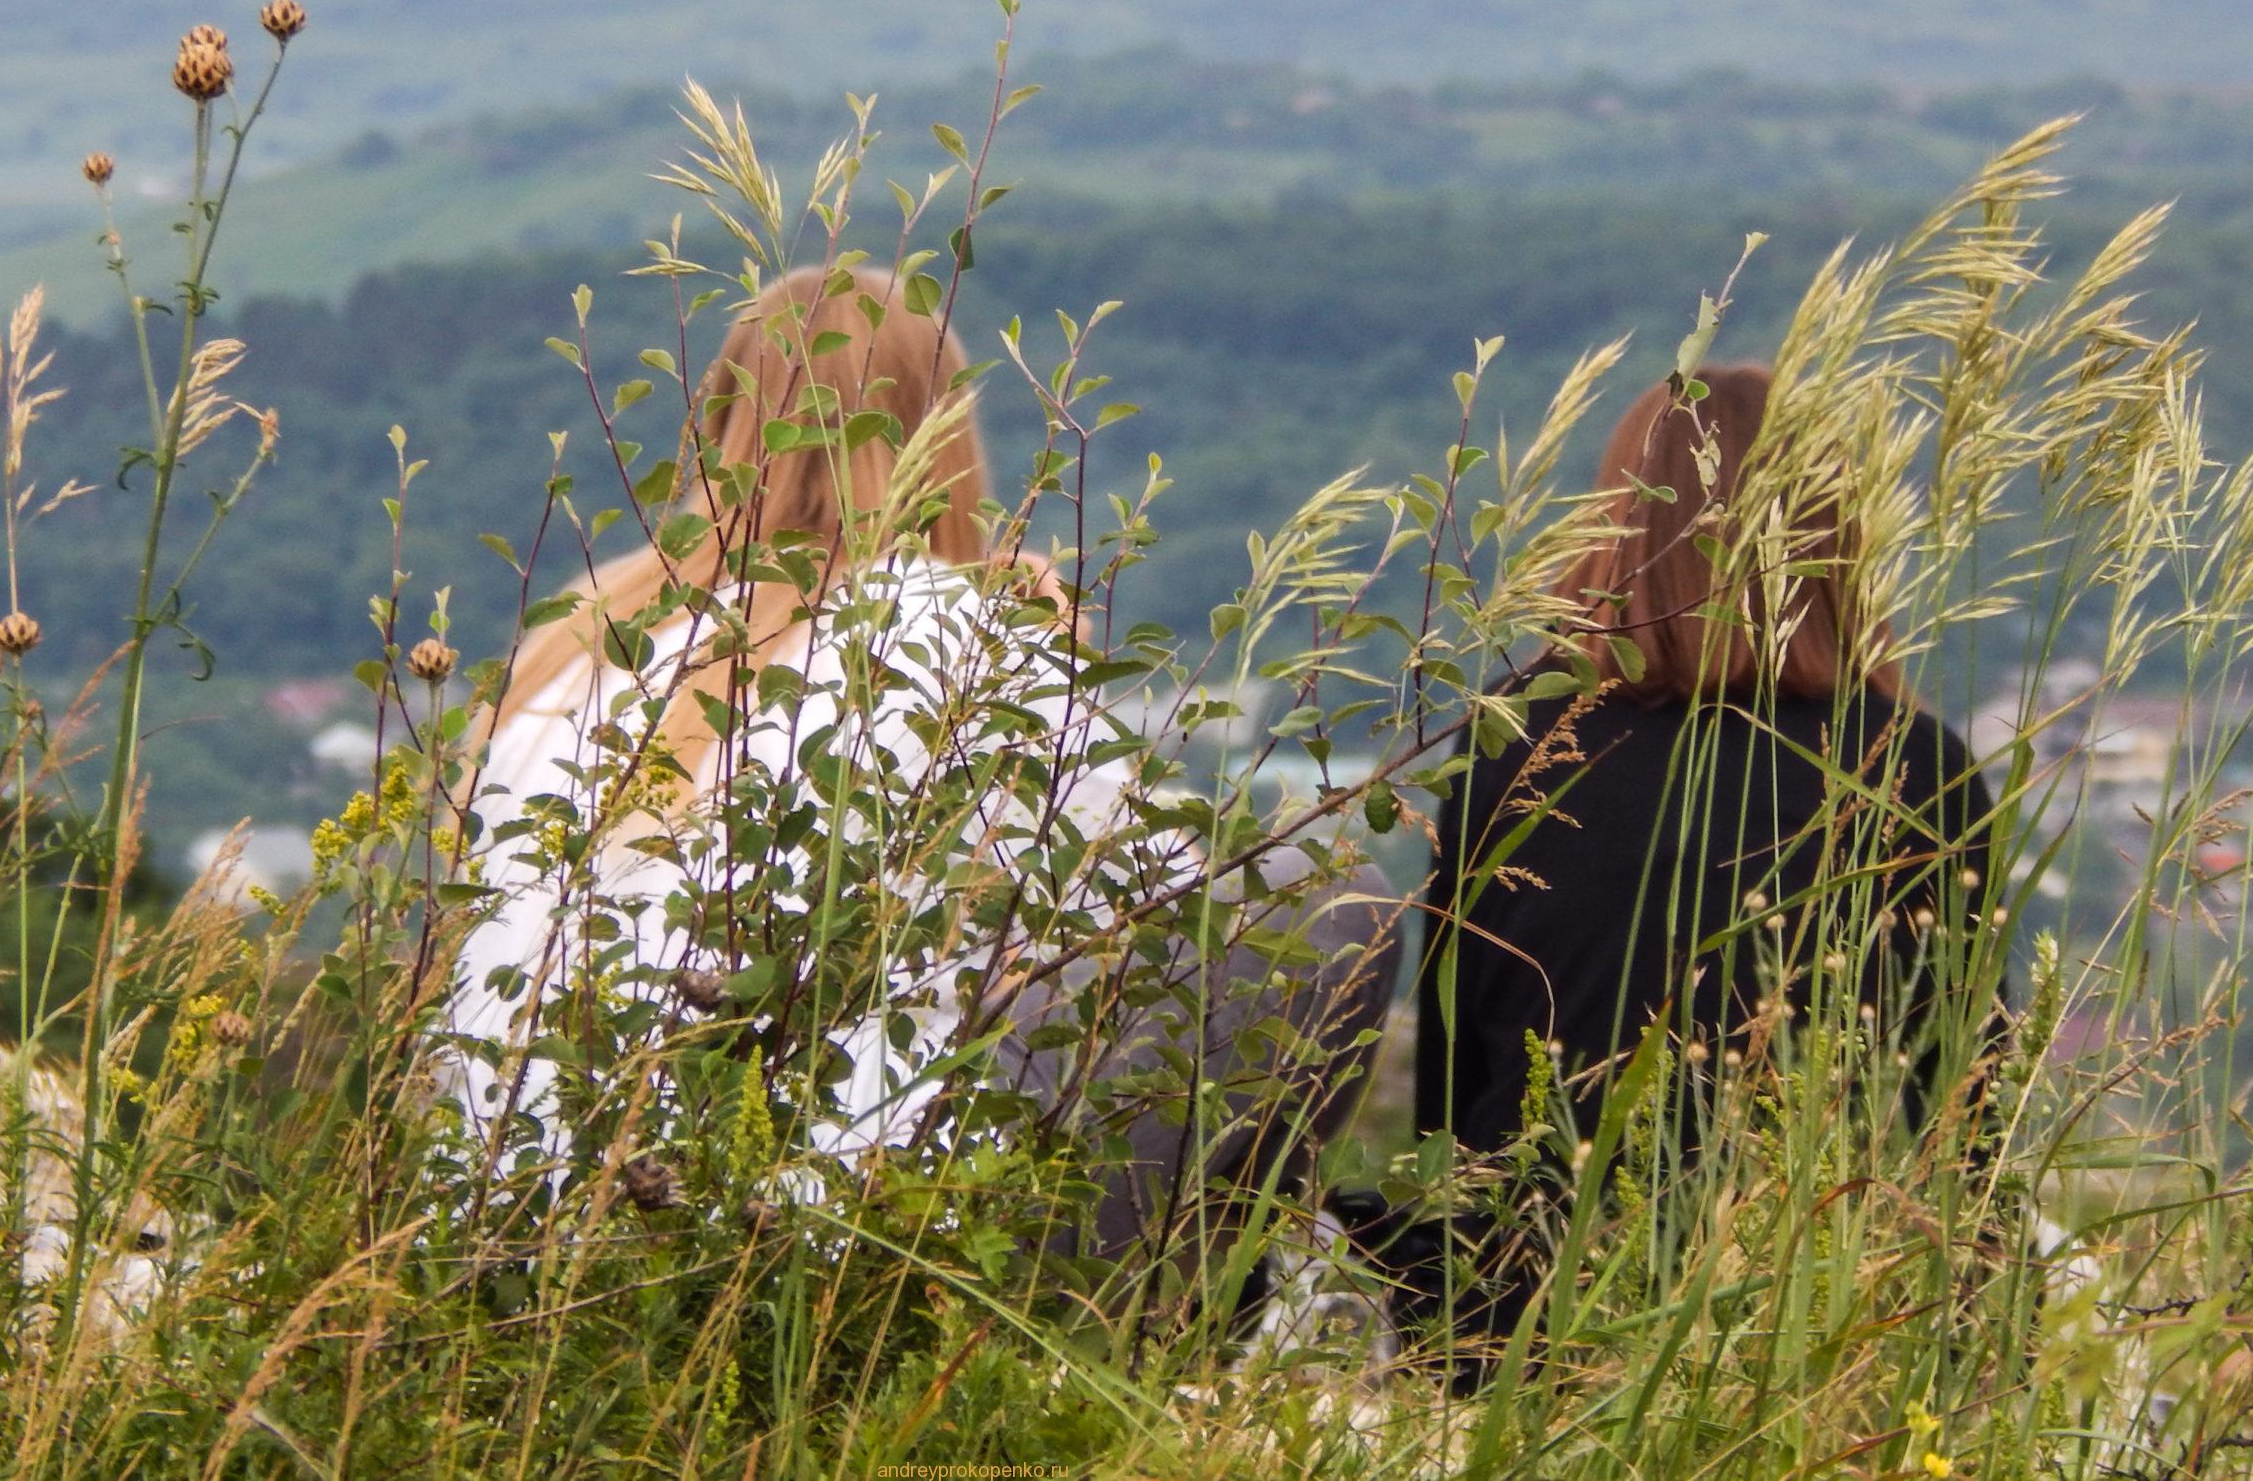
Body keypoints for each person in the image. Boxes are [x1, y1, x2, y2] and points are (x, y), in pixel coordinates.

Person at [447, 267, 1401, 1300]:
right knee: (1323, 898)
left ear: (722, 418)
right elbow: (1151, 918)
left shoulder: (579, 647)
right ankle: (1184, 1313)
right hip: (819, 1246)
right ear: (942, 436)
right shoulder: (955, 628)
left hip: (518, 1233)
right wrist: (1050, 657)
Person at [1371, 364, 1994, 1353]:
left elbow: (1453, 1088)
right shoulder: (1909, 763)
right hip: (1826, 1312)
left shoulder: (1516, 740)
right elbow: (1962, 1104)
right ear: (1836, 532)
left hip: (1521, 1310)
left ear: (1617, 520)